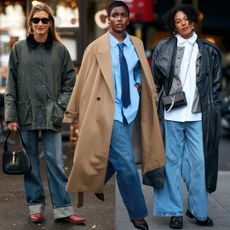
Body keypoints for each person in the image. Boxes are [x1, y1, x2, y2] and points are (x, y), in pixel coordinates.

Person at [63, 1, 165, 229]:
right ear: (108, 19)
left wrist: (138, 83)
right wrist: (73, 112)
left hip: (131, 110)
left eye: (123, 15)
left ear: (128, 19)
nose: (118, 19)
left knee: (118, 157)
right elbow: (83, 80)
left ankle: (98, 181)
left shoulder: (136, 44)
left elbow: (139, 69)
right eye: (114, 15)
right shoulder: (96, 47)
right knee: (127, 163)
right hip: (108, 110)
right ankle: (137, 214)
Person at [4, 3, 86, 225]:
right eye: (36, 20)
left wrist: (59, 107)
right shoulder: (19, 49)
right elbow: (11, 86)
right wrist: (11, 116)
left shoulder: (60, 51)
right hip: (25, 113)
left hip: (52, 115)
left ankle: (63, 209)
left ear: (51, 23)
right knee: (29, 163)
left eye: (44, 20)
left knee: (56, 162)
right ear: (30, 23)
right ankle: (35, 207)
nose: (40, 24)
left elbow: (70, 83)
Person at [151, 4, 222, 229]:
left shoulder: (209, 50)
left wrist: (215, 111)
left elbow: (216, 87)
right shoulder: (163, 47)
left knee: (198, 165)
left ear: (193, 21)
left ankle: (198, 211)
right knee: (171, 164)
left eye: (187, 19)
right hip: (172, 115)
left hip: (198, 116)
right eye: (178, 20)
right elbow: (156, 83)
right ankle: (174, 212)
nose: (183, 23)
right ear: (173, 24)